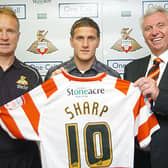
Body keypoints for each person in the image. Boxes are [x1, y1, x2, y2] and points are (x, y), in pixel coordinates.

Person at [124, 6, 168, 168]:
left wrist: (158, 94)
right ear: (143, 35)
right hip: (137, 158)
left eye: (160, 25)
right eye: (148, 28)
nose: (154, 32)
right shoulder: (132, 68)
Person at [0, 7, 42, 168]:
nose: (4, 37)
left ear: (18, 37)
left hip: (26, 160)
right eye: (0, 30)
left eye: (10, 31)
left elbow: (44, 121)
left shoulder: (32, 76)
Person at [45, 17, 120, 80]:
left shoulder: (112, 76)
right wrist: (50, 86)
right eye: (80, 38)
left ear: (98, 42)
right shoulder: (54, 75)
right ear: (71, 42)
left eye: (91, 38)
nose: (85, 44)